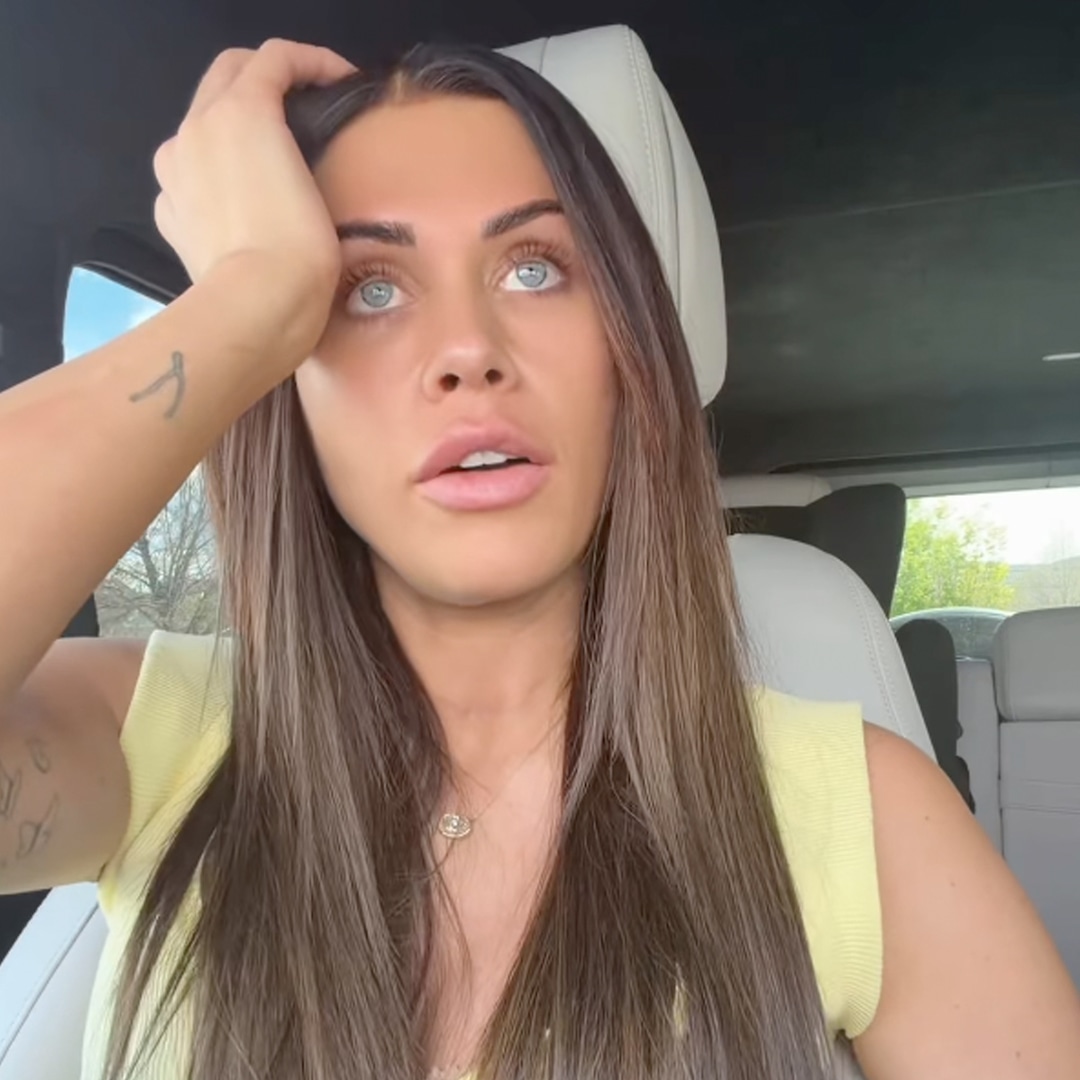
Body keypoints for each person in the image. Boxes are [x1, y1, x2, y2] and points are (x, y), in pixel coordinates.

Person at [0, 34, 1078, 1080]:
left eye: (533, 268)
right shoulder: (157, 740)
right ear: (288, 380)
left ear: (627, 356)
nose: (469, 350)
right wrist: (248, 294)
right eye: (366, 288)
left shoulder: (860, 813)